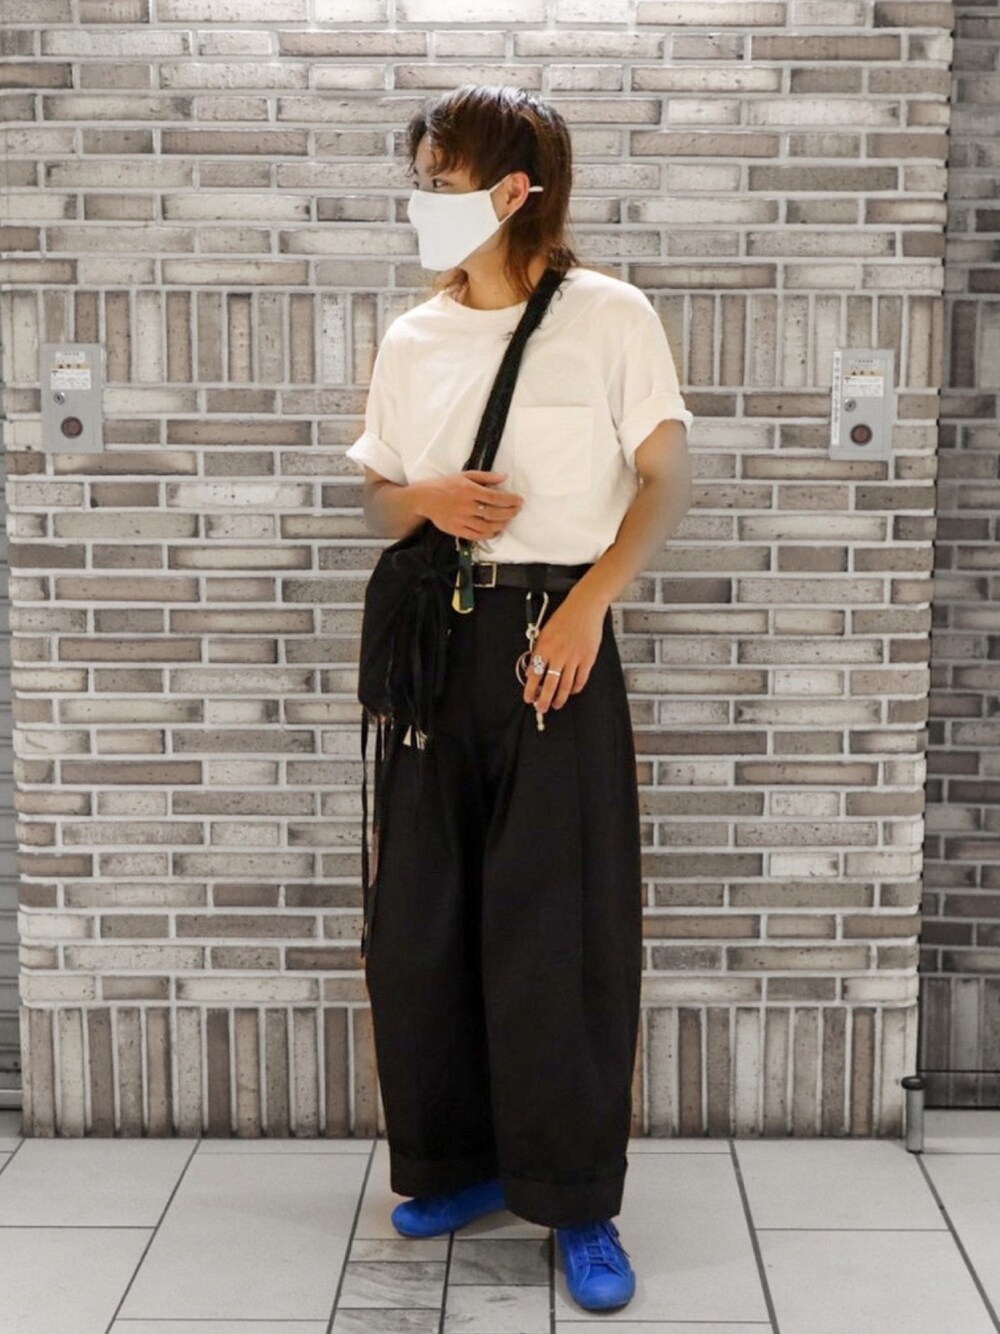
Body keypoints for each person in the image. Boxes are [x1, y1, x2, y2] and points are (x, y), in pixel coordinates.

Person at [345, 83, 693, 1314]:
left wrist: (590, 604)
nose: (423, 203)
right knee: (423, 920)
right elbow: (380, 500)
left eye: (440, 182)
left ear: (512, 189)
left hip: (559, 638)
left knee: (561, 926)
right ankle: (459, 1162)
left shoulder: (608, 314)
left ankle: (576, 1194)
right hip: (437, 642)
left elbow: (664, 478)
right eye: (421, 180)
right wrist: (427, 498)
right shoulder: (413, 337)